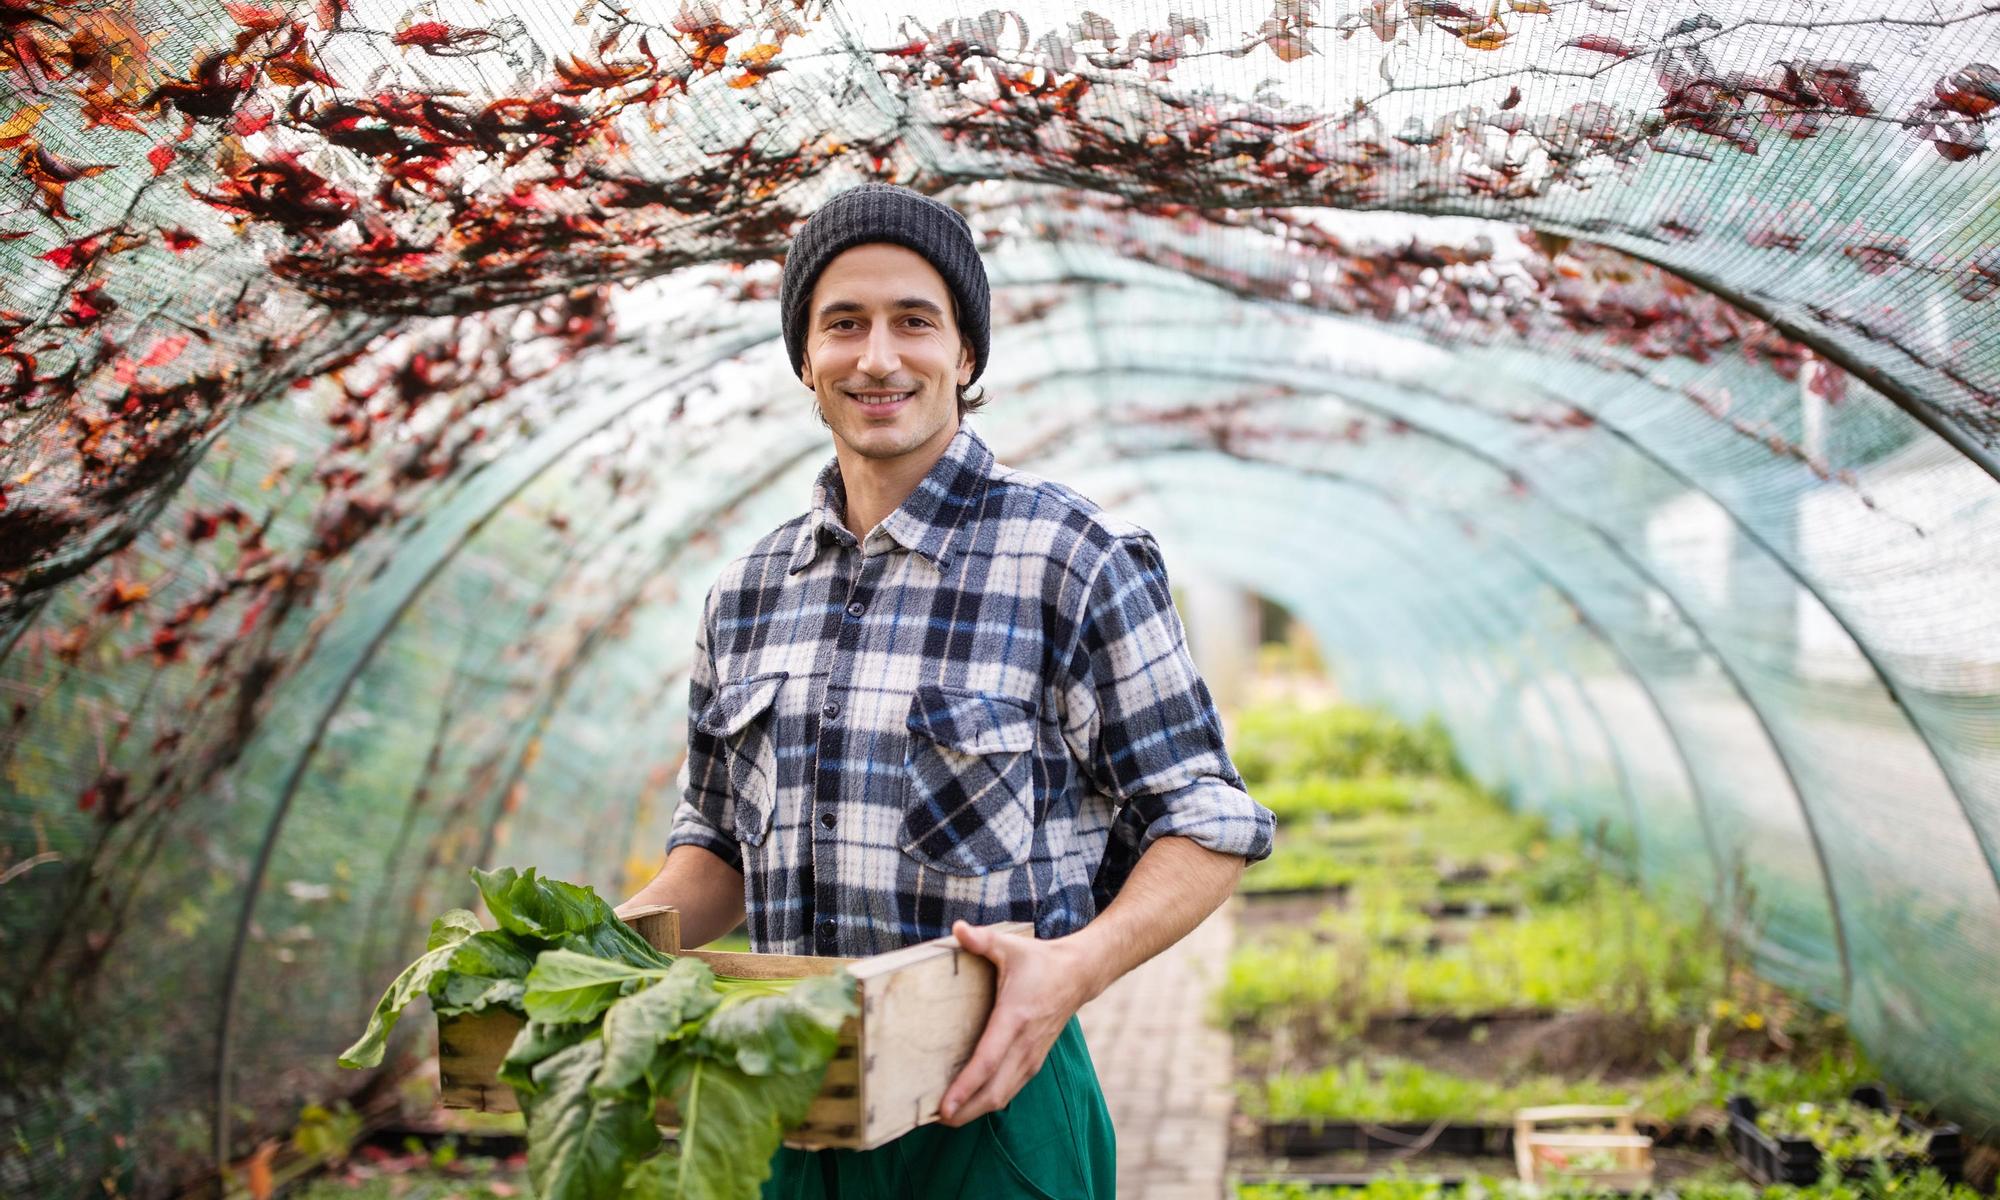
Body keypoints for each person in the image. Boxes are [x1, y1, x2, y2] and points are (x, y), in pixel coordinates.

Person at [616, 182, 1275, 1198]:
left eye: (912, 321)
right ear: (805, 358)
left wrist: (1076, 968)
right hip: (782, 1104)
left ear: (964, 354)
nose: (877, 356)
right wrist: (592, 951)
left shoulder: (1067, 556)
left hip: (989, 1105)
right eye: (843, 324)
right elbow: (713, 846)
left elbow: (1206, 820)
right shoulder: (747, 593)